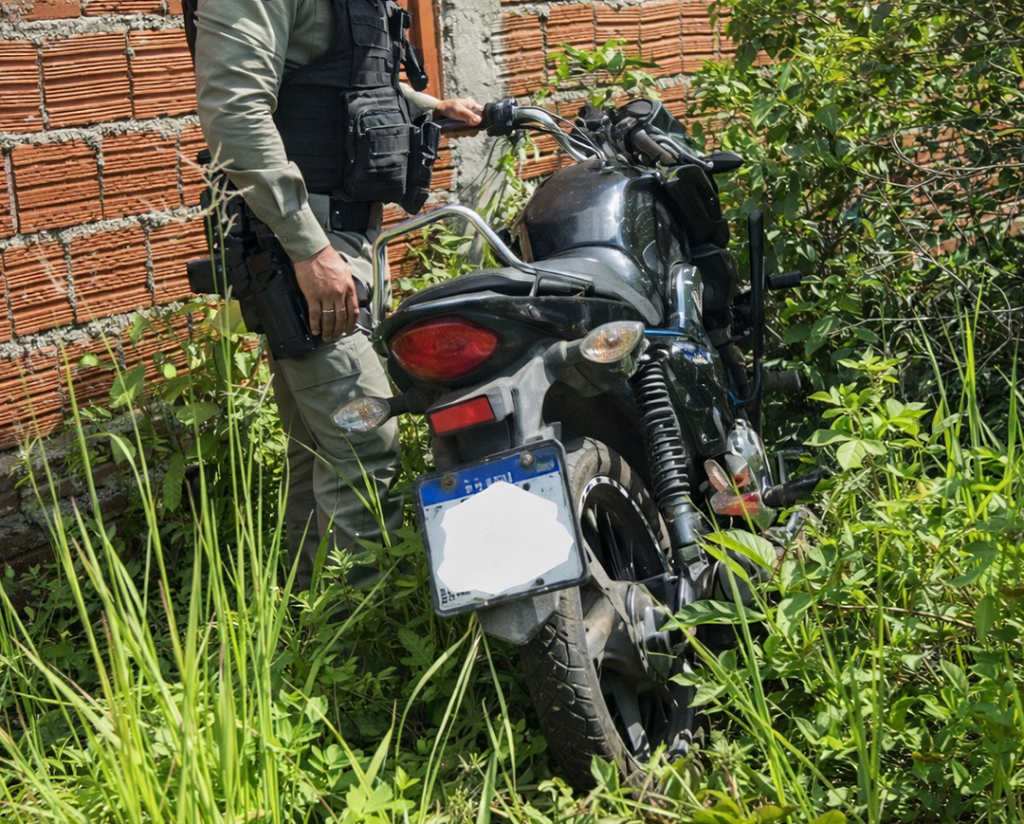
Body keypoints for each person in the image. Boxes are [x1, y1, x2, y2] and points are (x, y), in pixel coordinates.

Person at [192, 0, 481, 590]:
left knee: (317, 448)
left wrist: (428, 107)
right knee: (363, 439)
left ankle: (306, 617)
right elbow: (233, 111)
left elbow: (341, 83)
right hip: (301, 243)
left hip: (345, 237)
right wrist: (308, 250)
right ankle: (362, 626)